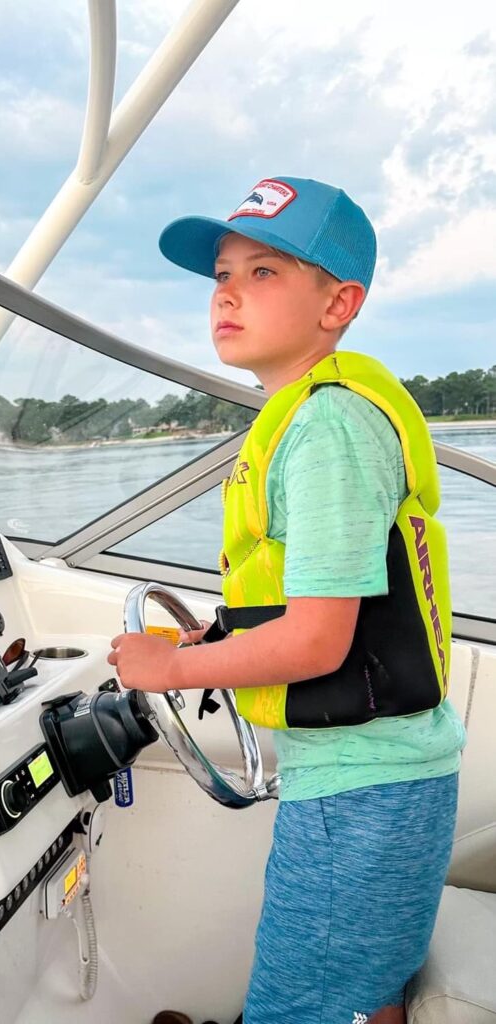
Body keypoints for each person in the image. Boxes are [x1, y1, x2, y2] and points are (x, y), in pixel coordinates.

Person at [107, 177, 466, 1024]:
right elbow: (308, 605)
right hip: (377, 777)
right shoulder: (310, 417)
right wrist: (219, 635)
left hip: (361, 792)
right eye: (221, 273)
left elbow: (315, 646)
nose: (226, 291)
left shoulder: (326, 430)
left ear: (338, 303)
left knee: (306, 1005)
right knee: (350, 993)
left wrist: (172, 663)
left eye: (263, 272)